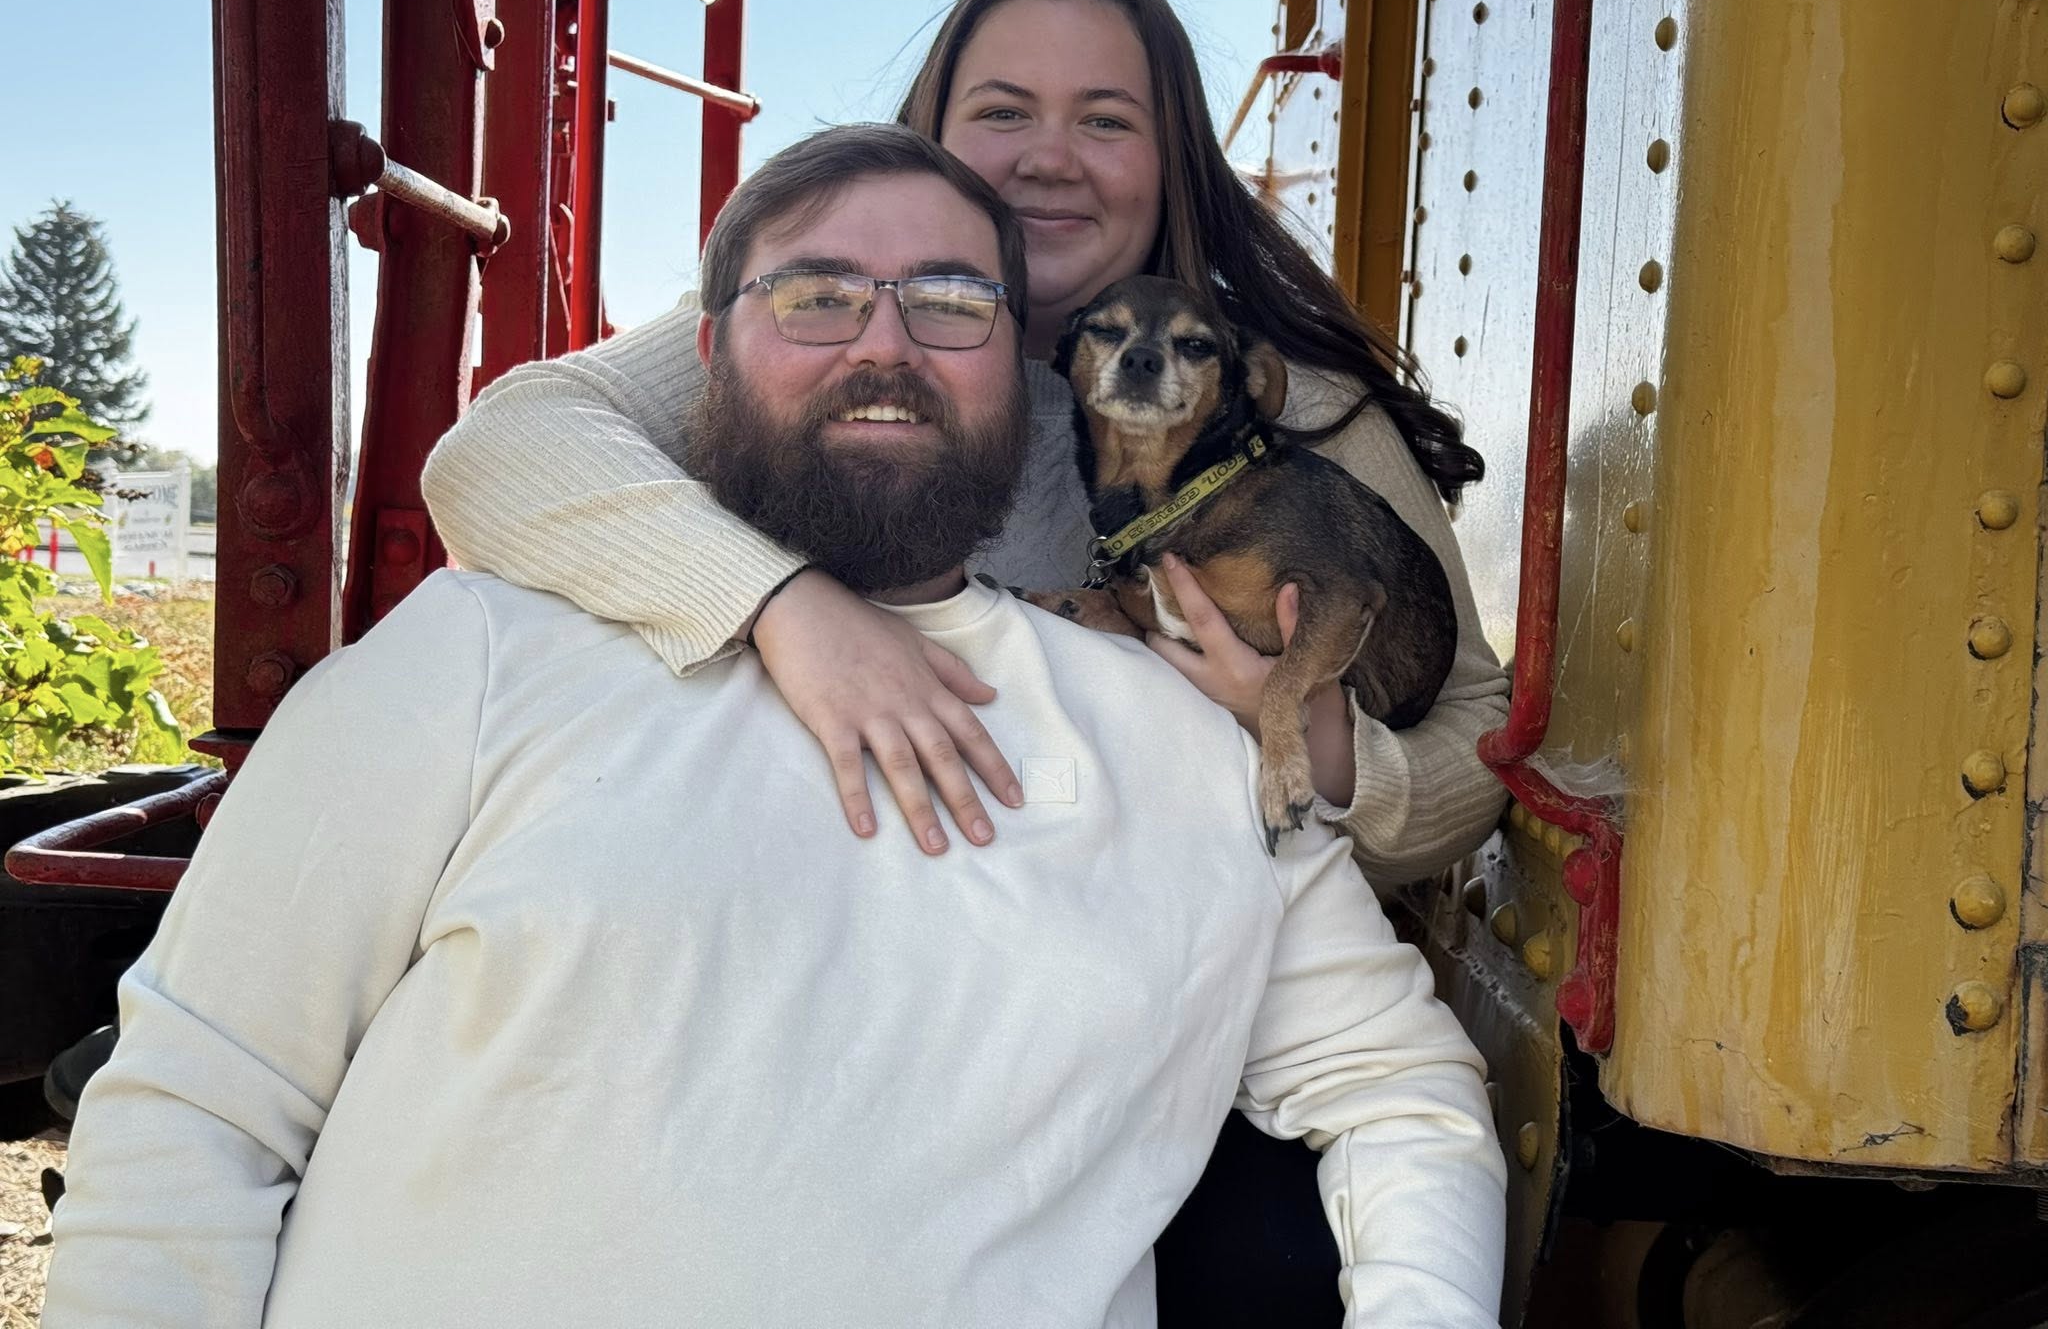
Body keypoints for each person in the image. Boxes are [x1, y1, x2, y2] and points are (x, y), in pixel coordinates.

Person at [43, 125, 1506, 1328]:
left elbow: (1406, 1096)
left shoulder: (1189, 738)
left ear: (1025, 373)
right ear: (709, 356)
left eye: (951, 302)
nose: (885, 341)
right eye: (816, 297)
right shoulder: (480, 653)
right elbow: (197, 1108)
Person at [419, 0, 1513, 1314]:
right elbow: (503, 450)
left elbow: (1484, 734)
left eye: (1105, 121)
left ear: (1170, 160)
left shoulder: (1281, 403)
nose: (1050, 158)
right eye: (1004, 112)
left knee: (1270, 1257)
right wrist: (782, 607)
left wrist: (1308, 740)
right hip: (835, 947)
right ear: (930, 131)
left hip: (1153, 990)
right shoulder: (831, 323)